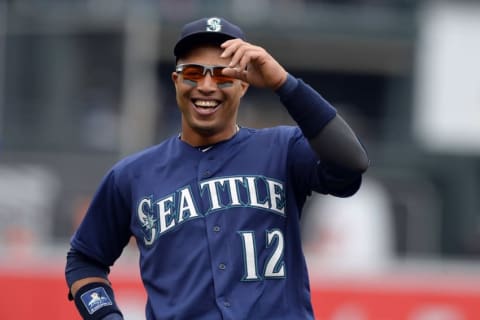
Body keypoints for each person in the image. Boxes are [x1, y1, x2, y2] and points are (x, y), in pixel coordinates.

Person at [65, 16, 369, 320]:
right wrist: (106, 316)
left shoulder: (284, 150)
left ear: (243, 85)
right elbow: (84, 259)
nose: (207, 86)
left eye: (223, 75)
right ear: (176, 81)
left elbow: (351, 163)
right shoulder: (132, 175)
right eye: (193, 73)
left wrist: (284, 83)